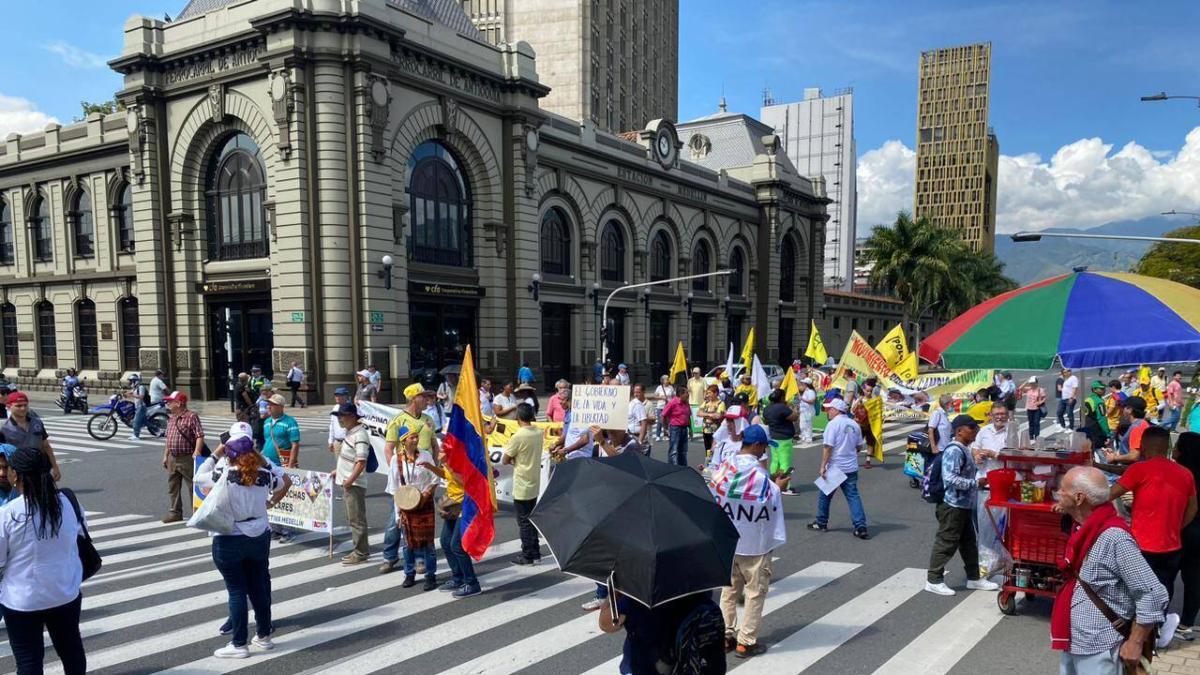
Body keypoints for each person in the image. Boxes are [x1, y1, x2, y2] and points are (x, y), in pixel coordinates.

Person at [1052, 466, 1168, 674]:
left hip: (1101, 644)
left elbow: (1152, 593)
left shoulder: (1114, 537)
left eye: (1062, 490)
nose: (1058, 493)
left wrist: (1135, 641)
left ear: (1079, 498)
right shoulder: (1084, 527)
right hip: (1077, 640)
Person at [194, 435, 290, 659]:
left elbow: (199, 478)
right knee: (258, 586)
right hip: (259, 535)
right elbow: (283, 481)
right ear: (254, 454)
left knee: (236, 590)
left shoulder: (225, 474)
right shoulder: (265, 475)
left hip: (230, 535)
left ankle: (239, 644)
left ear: (230, 455)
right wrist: (264, 461)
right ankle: (264, 636)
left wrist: (215, 453)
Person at [0, 447, 87, 674]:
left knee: (29, 660)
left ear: (15, 474)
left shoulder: (8, 513)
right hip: (65, 591)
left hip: (23, 599)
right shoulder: (68, 502)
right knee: (71, 650)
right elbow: (78, 537)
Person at [714, 425, 785, 658]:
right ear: (756, 446)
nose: (765, 450)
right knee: (755, 592)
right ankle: (746, 641)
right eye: (764, 446)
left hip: (728, 542)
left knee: (728, 590)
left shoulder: (725, 468)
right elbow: (770, 505)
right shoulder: (761, 478)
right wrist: (779, 487)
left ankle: (725, 636)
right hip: (754, 546)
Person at [1108, 426, 1197, 610]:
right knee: (1164, 587)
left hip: (1142, 545)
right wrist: (1177, 527)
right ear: (1168, 448)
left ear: (1144, 446)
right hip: (1172, 545)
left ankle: (1140, 630)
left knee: (1136, 590)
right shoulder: (1185, 473)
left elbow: (1110, 494)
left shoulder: (1140, 469)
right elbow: (1193, 507)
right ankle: (1158, 625)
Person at [925, 415, 1001, 595]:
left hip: (964, 504)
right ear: (959, 431)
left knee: (968, 543)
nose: (975, 430)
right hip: (952, 505)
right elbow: (950, 479)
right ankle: (933, 580)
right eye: (971, 427)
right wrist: (976, 484)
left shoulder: (965, 449)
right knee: (947, 542)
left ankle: (974, 578)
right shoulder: (954, 450)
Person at [380, 384, 439, 574]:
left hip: (423, 477)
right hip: (405, 477)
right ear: (413, 398)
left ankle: (420, 558)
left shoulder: (429, 419)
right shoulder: (397, 421)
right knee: (396, 520)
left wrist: (435, 469)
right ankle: (390, 556)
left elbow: (434, 446)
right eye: (423, 397)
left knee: (421, 519)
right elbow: (389, 448)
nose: (426, 400)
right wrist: (396, 472)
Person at [598, 590, 719, 675]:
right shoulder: (696, 583)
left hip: (644, 663)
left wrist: (614, 593)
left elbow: (606, 624)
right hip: (684, 661)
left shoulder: (638, 589)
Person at [809, 398, 870, 539]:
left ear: (836, 410)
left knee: (825, 495)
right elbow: (859, 446)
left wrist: (823, 466)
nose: (827, 411)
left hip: (836, 466)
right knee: (853, 496)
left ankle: (821, 521)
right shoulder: (854, 424)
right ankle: (860, 526)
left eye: (829, 409)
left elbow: (828, 447)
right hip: (851, 466)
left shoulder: (833, 424)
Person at [392, 424, 441, 591]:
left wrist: (425, 496)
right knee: (408, 543)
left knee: (428, 543)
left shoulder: (425, 455)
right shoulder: (396, 459)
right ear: (403, 441)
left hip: (424, 503)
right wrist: (398, 512)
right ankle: (409, 573)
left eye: (416, 437)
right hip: (406, 504)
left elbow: (435, 479)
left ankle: (430, 575)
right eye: (412, 437)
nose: (416, 440)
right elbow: (394, 487)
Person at [437, 443, 482, 598]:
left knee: (457, 545)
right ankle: (458, 577)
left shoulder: (462, 460)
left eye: (444, 446)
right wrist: (431, 466)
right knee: (445, 541)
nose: (441, 449)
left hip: (465, 505)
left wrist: (445, 464)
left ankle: (472, 583)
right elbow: (446, 476)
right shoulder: (449, 459)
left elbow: (465, 483)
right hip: (452, 504)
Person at [502, 403, 543, 566]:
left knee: (524, 521)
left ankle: (528, 555)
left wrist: (515, 460)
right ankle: (536, 552)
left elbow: (505, 459)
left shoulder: (518, 436)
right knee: (531, 519)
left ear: (518, 417)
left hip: (521, 481)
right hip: (534, 479)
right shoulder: (538, 432)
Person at [335, 402, 371, 565]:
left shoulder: (360, 435)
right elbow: (349, 459)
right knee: (353, 518)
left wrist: (349, 480)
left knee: (356, 519)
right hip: (349, 482)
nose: (340, 420)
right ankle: (359, 549)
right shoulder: (350, 432)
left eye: (342, 416)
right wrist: (337, 471)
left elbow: (361, 461)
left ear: (352, 416)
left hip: (354, 484)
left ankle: (361, 552)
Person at [1173, 432, 1200, 639]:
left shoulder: (1180, 474)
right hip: (1196, 533)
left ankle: (1157, 621)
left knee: (1165, 575)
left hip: (1182, 531)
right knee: (1194, 579)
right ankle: (1187, 623)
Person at [162, 391, 204, 523]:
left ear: (179, 403)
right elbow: (169, 439)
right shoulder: (172, 418)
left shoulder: (191, 416)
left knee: (192, 485)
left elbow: (199, 435)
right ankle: (175, 512)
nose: (167, 403)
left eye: (170, 401)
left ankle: (197, 512)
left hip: (187, 457)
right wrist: (165, 456)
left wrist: (197, 451)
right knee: (173, 486)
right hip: (173, 457)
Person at [1, 391, 62, 482]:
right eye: (18, 406)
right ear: (9, 406)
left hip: (40, 469)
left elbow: (45, 446)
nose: (23, 408)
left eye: (25, 405)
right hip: (18, 471)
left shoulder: (37, 423)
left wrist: (55, 467)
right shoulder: (3, 428)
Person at [763, 389, 798, 492]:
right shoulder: (782, 407)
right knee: (785, 463)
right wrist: (792, 407)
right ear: (782, 397)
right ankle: (784, 486)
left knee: (775, 461)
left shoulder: (767, 408)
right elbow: (794, 417)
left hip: (773, 437)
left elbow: (765, 420)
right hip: (784, 439)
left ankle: (773, 482)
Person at [1105, 397, 1151, 466]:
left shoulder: (1136, 428)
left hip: (1132, 470)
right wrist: (1115, 454)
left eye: (1124, 407)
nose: (1122, 410)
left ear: (1129, 410)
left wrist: (1114, 458)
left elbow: (1134, 456)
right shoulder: (1143, 423)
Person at [262, 394, 300, 469]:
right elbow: (267, 441)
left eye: (272, 405)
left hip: (282, 464)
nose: (269, 407)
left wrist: (290, 466)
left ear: (281, 407)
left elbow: (295, 445)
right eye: (268, 404)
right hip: (267, 463)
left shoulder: (290, 422)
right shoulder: (267, 422)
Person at [971, 406, 1010, 479]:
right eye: (996, 414)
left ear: (1008, 415)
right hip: (983, 477)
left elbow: (1016, 458)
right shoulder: (984, 430)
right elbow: (975, 448)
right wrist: (977, 456)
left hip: (1003, 478)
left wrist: (994, 455)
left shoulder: (1013, 432)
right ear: (991, 416)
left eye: (1002, 414)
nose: (999, 417)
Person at [660, 389, 692, 467]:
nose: (688, 395)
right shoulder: (672, 402)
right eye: (686, 393)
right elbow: (663, 415)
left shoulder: (686, 403)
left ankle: (683, 467)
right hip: (675, 428)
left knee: (683, 450)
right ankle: (673, 467)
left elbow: (688, 416)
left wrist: (690, 429)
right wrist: (665, 428)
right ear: (681, 394)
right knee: (674, 450)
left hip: (684, 428)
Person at [697, 385, 726, 465]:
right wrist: (710, 415)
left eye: (709, 393)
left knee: (716, 449)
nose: (708, 395)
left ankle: (715, 464)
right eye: (707, 393)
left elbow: (718, 415)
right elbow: (698, 413)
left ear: (715, 393)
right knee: (707, 449)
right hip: (706, 430)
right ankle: (708, 465)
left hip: (715, 431)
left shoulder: (721, 403)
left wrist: (705, 414)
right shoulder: (706, 403)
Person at [1080, 380, 1112, 450]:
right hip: (1096, 432)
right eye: (1101, 389)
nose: (1104, 390)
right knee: (1102, 454)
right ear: (1094, 389)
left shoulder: (1087, 399)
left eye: (1104, 388)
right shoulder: (1099, 402)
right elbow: (1102, 419)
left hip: (1085, 431)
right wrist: (1107, 434)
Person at [326, 387, 351, 458]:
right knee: (339, 465)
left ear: (345, 396)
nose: (337, 397)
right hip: (337, 442)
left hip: (348, 441)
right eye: (336, 395)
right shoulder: (335, 408)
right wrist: (330, 441)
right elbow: (332, 425)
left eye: (339, 395)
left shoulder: (351, 408)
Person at [626, 385, 652, 454]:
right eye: (634, 392)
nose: (635, 394)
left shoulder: (637, 404)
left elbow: (644, 423)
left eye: (638, 392)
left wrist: (639, 442)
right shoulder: (630, 404)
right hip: (631, 438)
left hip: (637, 438)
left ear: (643, 392)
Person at [126, 373, 150, 441]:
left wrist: (132, 395)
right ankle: (158, 431)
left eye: (131, 381)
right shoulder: (135, 388)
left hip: (141, 407)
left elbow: (141, 396)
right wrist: (125, 393)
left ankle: (136, 435)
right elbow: (131, 392)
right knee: (145, 422)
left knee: (136, 421)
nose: (130, 383)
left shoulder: (141, 387)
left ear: (135, 381)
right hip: (138, 406)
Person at [653, 376, 676, 442]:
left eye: (668, 379)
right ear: (662, 381)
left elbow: (674, 396)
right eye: (666, 379)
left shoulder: (671, 387)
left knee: (667, 421)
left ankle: (666, 435)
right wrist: (661, 398)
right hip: (660, 406)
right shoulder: (659, 388)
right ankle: (658, 435)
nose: (668, 380)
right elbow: (655, 396)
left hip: (668, 407)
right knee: (660, 421)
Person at [798, 378, 817, 444]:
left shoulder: (811, 391)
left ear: (806, 384)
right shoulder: (805, 391)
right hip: (803, 411)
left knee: (807, 425)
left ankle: (808, 438)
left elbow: (812, 401)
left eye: (803, 383)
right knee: (802, 425)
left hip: (808, 411)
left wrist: (802, 399)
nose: (802, 385)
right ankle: (803, 437)